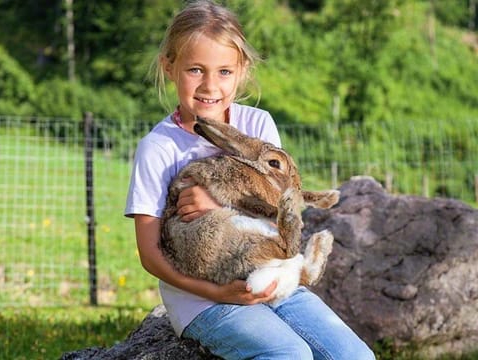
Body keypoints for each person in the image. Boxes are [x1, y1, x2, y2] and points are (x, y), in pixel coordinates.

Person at [125, 1, 376, 359]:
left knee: (355, 356)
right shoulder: (159, 147)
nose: (210, 85)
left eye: (224, 71)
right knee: (289, 354)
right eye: (196, 70)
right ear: (170, 67)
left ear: (241, 71)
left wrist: (218, 201)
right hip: (201, 299)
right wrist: (218, 293)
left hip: (270, 276)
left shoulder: (258, 126)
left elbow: (281, 205)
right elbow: (150, 253)